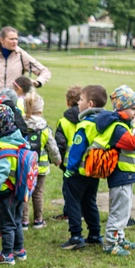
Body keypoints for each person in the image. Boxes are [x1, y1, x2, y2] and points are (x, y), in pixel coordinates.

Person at [99, 86, 135, 257]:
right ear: (121, 107)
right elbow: (134, 143)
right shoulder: (118, 128)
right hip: (120, 175)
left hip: (126, 175)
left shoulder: (124, 125)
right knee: (119, 211)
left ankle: (119, 238)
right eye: (133, 109)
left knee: (124, 210)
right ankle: (110, 243)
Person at [60, 85, 107, 250]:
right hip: (94, 171)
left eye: (81, 100)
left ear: (90, 104)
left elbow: (76, 150)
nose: (78, 103)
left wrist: (69, 169)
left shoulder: (85, 125)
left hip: (78, 172)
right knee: (90, 202)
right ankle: (95, 234)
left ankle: (76, 236)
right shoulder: (105, 123)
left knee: (73, 203)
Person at [0, 104, 29, 266]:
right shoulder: (18, 141)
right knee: (16, 221)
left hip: (5, 193)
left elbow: (0, 175)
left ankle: (6, 254)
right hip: (17, 191)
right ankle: (19, 250)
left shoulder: (3, 148)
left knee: (7, 225)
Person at [21, 91, 61, 229]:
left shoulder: (21, 125)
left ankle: (24, 221)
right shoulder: (44, 127)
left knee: (25, 192)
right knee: (38, 193)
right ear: (41, 110)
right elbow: (52, 146)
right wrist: (57, 160)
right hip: (41, 167)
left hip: (24, 166)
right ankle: (38, 220)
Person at [0, 26, 51, 95]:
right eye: (11, 39)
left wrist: (38, 82)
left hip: (15, 102)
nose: (15, 42)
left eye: (16, 39)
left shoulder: (21, 55)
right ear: (1, 40)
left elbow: (45, 71)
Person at [53, 85, 82, 222]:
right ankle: (82, 213)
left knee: (69, 190)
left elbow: (60, 144)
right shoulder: (90, 119)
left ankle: (68, 213)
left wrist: (59, 161)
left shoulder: (63, 122)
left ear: (67, 102)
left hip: (68, 163)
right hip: (86, 161)